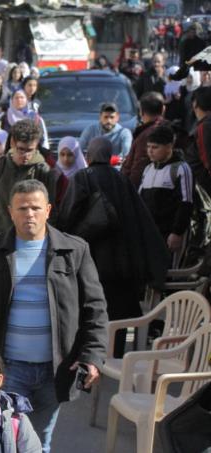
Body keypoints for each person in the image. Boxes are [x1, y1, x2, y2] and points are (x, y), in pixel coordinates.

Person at [0, 179, 108, 452]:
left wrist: (93, 357)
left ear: (48, 210)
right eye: (22, 208)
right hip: (8, 368)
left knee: (40, 441)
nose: (29, 214)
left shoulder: (74, 250)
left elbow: (95, 309)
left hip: (56, 368)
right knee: (4, 438)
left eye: (36, 208)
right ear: (10, 211)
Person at [57, 138, 168, 358]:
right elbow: (141, 220)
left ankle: (92, 354)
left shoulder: (82, 178)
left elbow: (67, 217)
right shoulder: (122, 180)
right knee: (124, 313)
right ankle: (120, 352)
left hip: (94, 261)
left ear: (88, 156)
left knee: (92, 310)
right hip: (124, 264)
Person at [0, 119, 56, 236]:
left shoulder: (43, 171)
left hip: (31, 238)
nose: (25, 155)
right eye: (21, 149)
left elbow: (49, 210)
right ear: (12, 143)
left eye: (30, 150)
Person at [139, 125, 194, 263]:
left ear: (169, 146)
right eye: (148, 147)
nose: (150, 151)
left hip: (168, 235)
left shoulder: (181, 168)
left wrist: (177, 233)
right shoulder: (148, 169)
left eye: (155, 147)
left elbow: (186, 202)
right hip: (148, 233)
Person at [121, 92, 168, 187]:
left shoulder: (148, 135)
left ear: (141, 111)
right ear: (163, 109)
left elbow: (139, 169)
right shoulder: (170, 128)